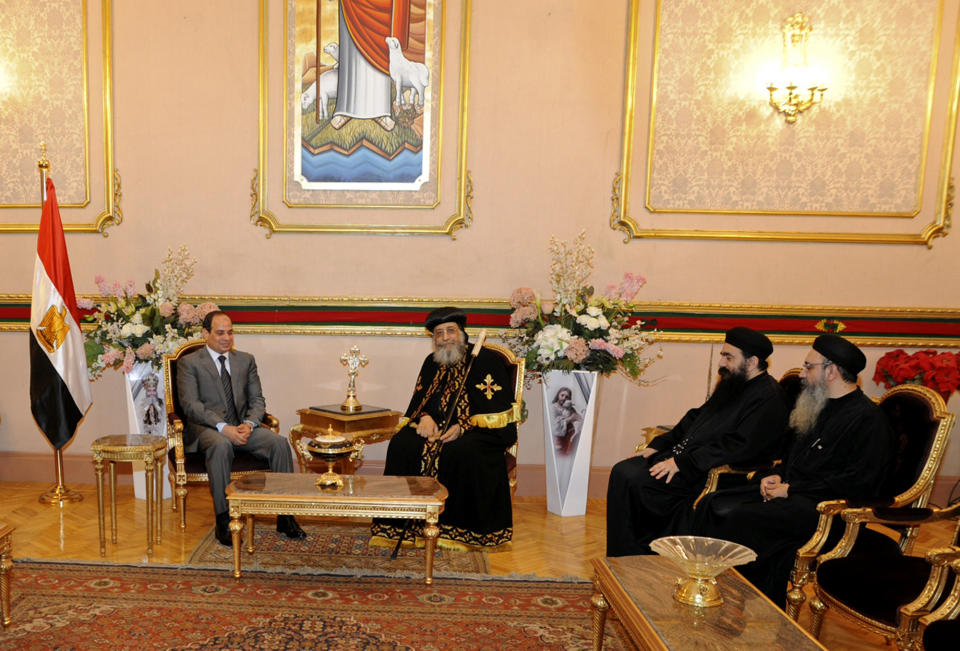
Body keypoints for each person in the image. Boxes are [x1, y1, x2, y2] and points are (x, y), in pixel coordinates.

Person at [692, 334, 895, 607]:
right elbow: (790, 457)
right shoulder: (816, 405)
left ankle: (743, 603)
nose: (802, 374)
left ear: (831, 371)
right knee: (713, 502)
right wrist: (775, 477)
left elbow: (859, 482)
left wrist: (792, 488)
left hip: (828, 511)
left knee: (739, 516)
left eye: (809, 367)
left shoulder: (868, 420)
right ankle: (703, 586)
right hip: (793, 496)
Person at [605, 327, 789, 557]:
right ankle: (622, 559)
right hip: (689, 460)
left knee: (635, 480)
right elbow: (696, 417)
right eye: (723, 355)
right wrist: (660, 445)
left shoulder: (768, 397)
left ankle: (640, 557)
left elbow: (738, 446)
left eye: (728, 357)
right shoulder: (735, 383)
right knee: (623, 471)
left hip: (715, 473)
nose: (722, 362)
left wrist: (683, 463)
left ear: (752, 362)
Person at [371, 307, 518, 549]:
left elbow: (497, 414)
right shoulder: (431, 362)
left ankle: (458, 532)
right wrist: (425, 417)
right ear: (434, 340)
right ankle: (401, 527)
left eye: (450, 330)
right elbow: (421, 402)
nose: (445, 337)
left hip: (480, 432)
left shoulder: (486, 361)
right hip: (438, 427)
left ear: (462, 333)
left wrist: (463, 426)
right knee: (403, 444)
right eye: (439, 333)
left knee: (460, 451)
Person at [177, 311, 305, 546]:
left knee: (279, 443)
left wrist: (248, 424)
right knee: (221, 444)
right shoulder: (189, 363)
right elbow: (190, 406)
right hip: (207, 429)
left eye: (230, 332)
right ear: (205, 334)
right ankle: (224, 519)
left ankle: (285, 515)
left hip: (244, 427)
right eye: (220, 333)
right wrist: (223, 427)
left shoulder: (246, 360)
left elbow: (257, 400)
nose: (226, 338)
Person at [552, 386, 582, 455]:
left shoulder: (570, 407)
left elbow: (579, 418)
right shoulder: (553, 408)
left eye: (567, 397)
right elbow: (554, 426)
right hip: (561, 440)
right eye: (562, 395)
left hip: (571, 437)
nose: (564, 398)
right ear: (558, 395)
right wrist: (571, 418)